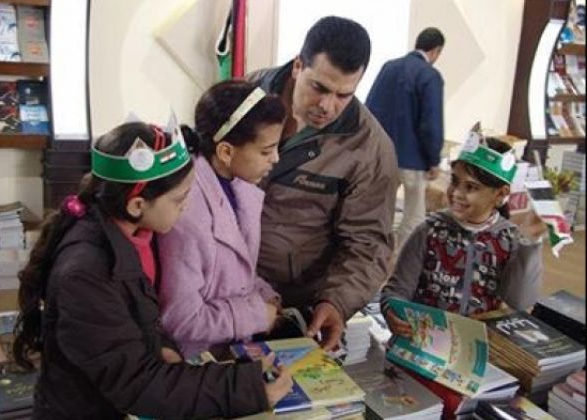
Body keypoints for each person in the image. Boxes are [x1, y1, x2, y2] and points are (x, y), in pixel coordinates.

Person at [12, 121, 292, 419]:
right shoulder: (86, 275)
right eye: (180, 198)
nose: (186, 207)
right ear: (137, 205)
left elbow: (134, 318)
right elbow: (137, 382)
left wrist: (160, 345)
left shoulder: (133, 236)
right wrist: (247, 389)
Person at [247, 16, 399, 351]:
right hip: (221, 288)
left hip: (293, 305)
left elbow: (367, 244)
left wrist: (336, 301)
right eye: (319, 88)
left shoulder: (370, 148)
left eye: (344, 94)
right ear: (298, 66)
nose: (327, 106)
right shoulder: (247, 96)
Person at [380, 136, 547, 418]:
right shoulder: (429, 231)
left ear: (500, 194)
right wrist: (391, 312)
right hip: (422, 355)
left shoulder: (509, 238)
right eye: (454, 182)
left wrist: (530, 244)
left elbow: (519, 302)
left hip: (480, 361)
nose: (456, 193)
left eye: (471, 187)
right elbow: (395, 290)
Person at [158, 80, 286, 358]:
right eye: (266, 151)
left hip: (232, 347)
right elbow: (181, 320)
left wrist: (265, 295)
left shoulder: (238, 184)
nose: (275, 158)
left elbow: (234, 274)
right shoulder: (186, 214)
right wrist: (257, 314)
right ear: (226, 152)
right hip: (197, 356)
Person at [365, 27, 445, 248]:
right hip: (413, 159)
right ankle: (402, 260)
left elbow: (369, 109)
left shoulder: (389, 67)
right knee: (413, 216)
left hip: (382, 156)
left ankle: (374, 255)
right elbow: (431, 122)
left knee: (379, 212)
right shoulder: (430, 76)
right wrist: (434, 160)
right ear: (436, 51)